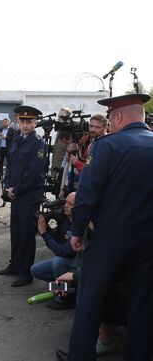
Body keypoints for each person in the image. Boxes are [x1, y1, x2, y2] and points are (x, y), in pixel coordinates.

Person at [55, 93, 153, 361]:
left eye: (110, 118)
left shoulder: (106, 147)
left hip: (109, 239)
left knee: (89, 302)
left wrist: (77, 232)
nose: (109, 124)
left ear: (118, 117)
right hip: (147, 242)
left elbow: (86, 196)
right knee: (142, 306)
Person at [0, 105, 48, 287]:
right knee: (16, 231)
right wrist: (9, 186)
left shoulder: (39, 143)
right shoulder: (17, 139)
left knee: (26, 234)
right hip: (16, 194)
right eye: (22, 121)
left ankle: (26, 272)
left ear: (35, 123)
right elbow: (10, 165)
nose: (25, 125)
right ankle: (15, 264)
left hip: (29, 196)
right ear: (17, 121)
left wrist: (16, 190)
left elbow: (34, 173)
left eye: (29, 121)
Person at [30, 192, 76, 309]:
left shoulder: (78, 225)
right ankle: (67, 289)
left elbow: (63, 251)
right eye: (66, 202)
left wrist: (45, 234)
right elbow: (58, 242)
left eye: (71, 204)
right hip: (68, 260)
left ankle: (62, 298)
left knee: (58, 261)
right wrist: (49, 229)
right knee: (35, 270)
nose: (66, 206)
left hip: (78, 263)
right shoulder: (65, 220)